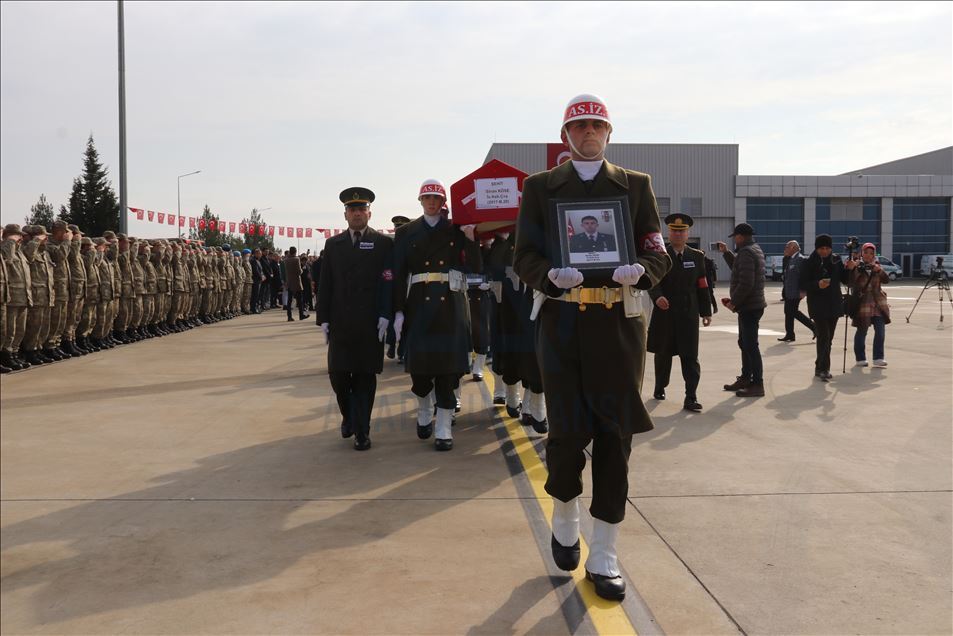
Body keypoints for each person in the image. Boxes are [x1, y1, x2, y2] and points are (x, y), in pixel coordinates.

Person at [513, 94, 671, 601]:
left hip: (618, 323)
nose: (588, 133)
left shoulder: (635, 186)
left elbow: (654, 245)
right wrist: (548, 276)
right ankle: (564, 511)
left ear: (609, 134)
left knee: (614, 436)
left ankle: (604, 551)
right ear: (566, 136)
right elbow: (525, 255)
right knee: (564, 433)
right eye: (578, 126)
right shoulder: (540, 188)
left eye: (596, 125)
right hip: (561, 323)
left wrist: (643, 271)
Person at [393, 179, 480, 451]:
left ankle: (443, 426)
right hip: (418, 304)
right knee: (419, 371)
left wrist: (471, 239)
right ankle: (423, 407)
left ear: (444, 203)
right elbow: (397, 274)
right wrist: (396, 310)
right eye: (427, 198)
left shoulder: (455, 230)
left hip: (449, 305)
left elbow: (476, 267)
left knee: (447, 370)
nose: (432, 202)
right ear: (420, 201)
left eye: (437, 198)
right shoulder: (407, 231)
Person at [317, 187, 394, 451]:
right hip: (340, 322)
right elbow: (326, 283)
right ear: (345, 215)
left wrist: (386, 314)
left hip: (370, 322)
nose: (357, 214)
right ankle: (349, 415)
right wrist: (323, 318)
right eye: (353, 210)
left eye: (362, 209)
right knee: (338, 375)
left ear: (369, 213)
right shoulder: (333, 244)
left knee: (364, 379)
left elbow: (388, 281)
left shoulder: (384, 243)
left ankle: (362, 431)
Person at [647, 213, 712, 411]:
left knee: (690, 355)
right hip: (665, 312)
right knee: (663, 353)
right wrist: (657, 297)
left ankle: (691, 396)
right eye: (674, 231)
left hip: (688, 312)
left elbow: (702, 284)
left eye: (681, 231)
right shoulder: (660, 255)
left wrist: (706, 311)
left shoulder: (697, 256)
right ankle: (660, 386)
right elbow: (653, 280)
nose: (678, 234)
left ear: (687, 233)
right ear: (669, 233)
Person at [716, 223, 767, 397]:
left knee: (751, 346)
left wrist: (734, 303)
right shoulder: (754, 249)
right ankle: (746, 377)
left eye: (735, 237)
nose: (734, 241)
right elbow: (739, 269)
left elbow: (746, 283)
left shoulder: (746, 252)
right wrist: (726, 253)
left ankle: (757, 384)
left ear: (740, 237)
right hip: (752, 304)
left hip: (749, 306)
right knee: (745, 343)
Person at [800, 234, 847, 381]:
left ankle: (819, 365)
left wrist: (850, 269)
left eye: (827, 248)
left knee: (829, 338)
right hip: (817, 304)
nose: (825, 251)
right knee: (824, 336)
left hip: (834, 303)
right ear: (816, 248)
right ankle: (823, 368)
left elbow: (845, 280)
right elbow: (802, 284)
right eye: (822, 248)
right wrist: (817, 285)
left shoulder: (836, 259)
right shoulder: (809, 262)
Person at [846, 242, 890, 367]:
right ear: (861, 253)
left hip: (878, 303)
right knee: (862, 331)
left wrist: (879, 271)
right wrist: (854, 269)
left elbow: (886, 280)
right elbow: (851, 283)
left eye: (871, 253)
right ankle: (860, 358)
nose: (868, 255)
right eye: (866, 252)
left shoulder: (877, 266)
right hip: (863, 303)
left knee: (880, 331)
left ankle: (878, 357)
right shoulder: (856, 265)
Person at [0, 224, 33, 370]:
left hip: (22, 295)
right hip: (12, 296)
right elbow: (8, 258)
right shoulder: (6, 248)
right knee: (9, 330)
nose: (20, 238)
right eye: (17, 235)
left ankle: (14, 354)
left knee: (19, 329)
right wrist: (10, 241)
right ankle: (7, 355)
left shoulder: (19, 251)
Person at [778, 240, 815, 342]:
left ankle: (814, 327)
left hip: (796, 292)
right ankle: (790, 334)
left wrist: (803, 290)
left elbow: (805, 276)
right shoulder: (791, 259)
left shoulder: (800, 259)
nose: (785, 249)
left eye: (787, 247)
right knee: (788, 312)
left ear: (793, 248)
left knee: (793, 311)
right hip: (789, 292)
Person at [283, 246, 306, 321]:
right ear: (295, 251)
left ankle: (289, 316)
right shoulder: (297, 259)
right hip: (296, 281)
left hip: (289, 281)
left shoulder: (285, 260)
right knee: (300, 300)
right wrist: (302, 270)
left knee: (289, 300)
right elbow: (299, 271)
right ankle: (301, 315)